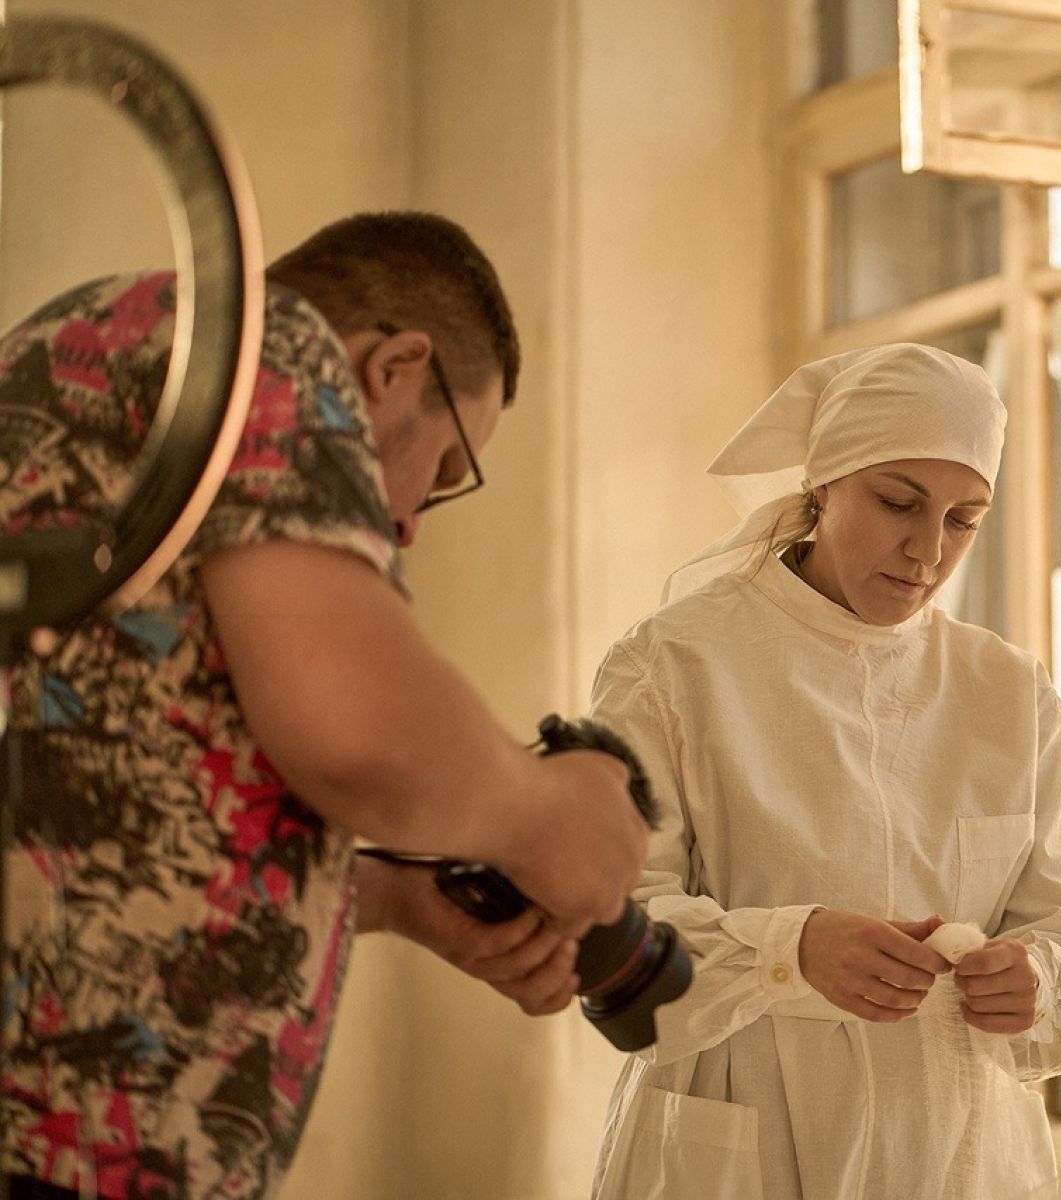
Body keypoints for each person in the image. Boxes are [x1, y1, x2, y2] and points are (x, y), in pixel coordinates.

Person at [0, 212, 650, 1199]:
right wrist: (554, 816)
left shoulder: (92, 352)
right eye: (444, 469)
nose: (410, 525)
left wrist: (389, 898)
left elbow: (109, 795)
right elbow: (357, 735)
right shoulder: (273, 341)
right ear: (394, 367)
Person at [587, 343, 1061, 1200]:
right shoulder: (675, 665)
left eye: (964, 520)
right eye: (897, 503)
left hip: (958, 1156)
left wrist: (1037, 984)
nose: (928, 551)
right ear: (823, 485)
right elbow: (605, 935)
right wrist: (790, 951)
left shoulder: (1009, 695)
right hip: (739, 1148)